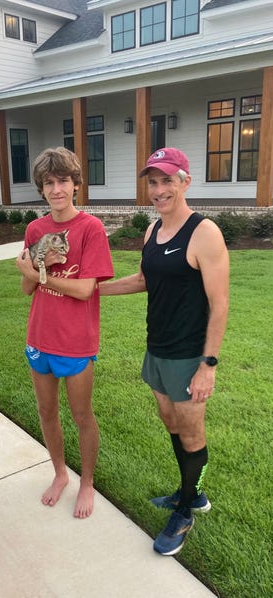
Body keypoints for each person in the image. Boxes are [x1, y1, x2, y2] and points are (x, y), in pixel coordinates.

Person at [100, 147, 229, 555]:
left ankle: (187, 509)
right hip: (157, 349)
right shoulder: (152, 232)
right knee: (170, 420)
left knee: (191, 432)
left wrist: (208, 365)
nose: (158, 190)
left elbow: (220, 303)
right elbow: (143, 278)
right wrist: (93, 291)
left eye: (166, 180)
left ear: (185, 181)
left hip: (189, 354)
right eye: (152, 182)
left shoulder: (204, 232)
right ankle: (189, 491)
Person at [16, 146, 114, 519]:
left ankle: (86, 481)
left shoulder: (90, 228)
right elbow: (28, 290)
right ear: (42, 188)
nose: (57, 189)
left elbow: (87, 289)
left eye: (64, 181)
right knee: (46, 411)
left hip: (75, 342)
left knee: (82, 414)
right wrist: (36, 274)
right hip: (39, 337)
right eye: (49, 182)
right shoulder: (35, 229)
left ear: (76, 185)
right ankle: (60, 473)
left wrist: (39, 273)